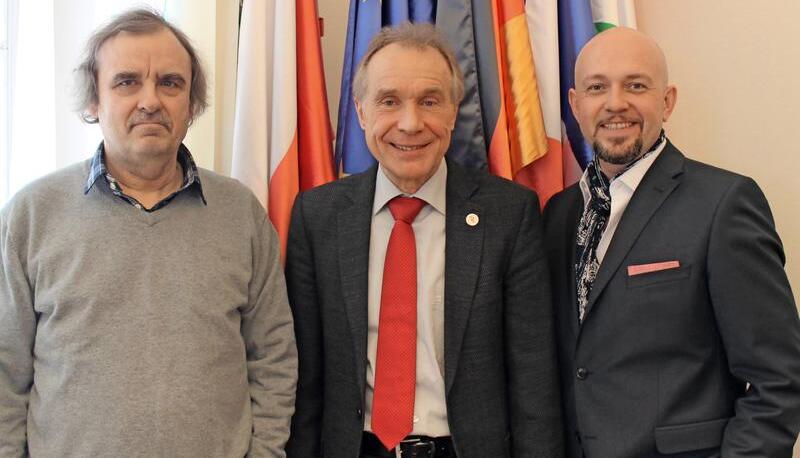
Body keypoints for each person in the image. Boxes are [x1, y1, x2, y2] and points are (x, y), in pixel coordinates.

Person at [0, 9, 297, 457]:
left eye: (170, 83)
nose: (150, 101)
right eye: (127, 82)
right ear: (94, 101)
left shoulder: (241, 214)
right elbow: (5, 374)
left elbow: (274, 359)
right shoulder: (31, 215)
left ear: (191, 104)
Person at [285, 23, 562, 458]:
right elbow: (305, 378)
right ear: (361, 112)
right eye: (389, 101)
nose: (410, 123)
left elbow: (533, 379)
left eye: (429, 101)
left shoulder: (509, 214)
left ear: (453, 111)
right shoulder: (317, 216)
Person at [543, 26, 800, 457]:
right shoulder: (558, 214)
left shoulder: (723, 204)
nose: (615, 103)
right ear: (575, 104)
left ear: (667, 101)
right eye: (596, 87)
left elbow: (780, 380)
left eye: (636, 85)